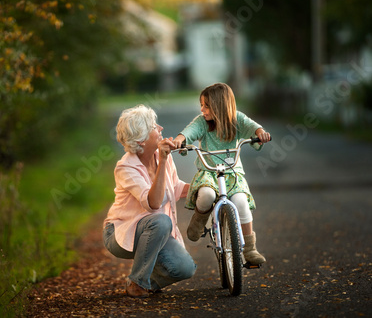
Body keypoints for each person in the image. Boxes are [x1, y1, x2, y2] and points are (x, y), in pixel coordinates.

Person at [103, 105, 196, 298]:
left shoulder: (160, 156)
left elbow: (174, 187)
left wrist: (202, 186)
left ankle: (142, 283)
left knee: (186, 268)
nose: (161, 128)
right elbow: (153, 203)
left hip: (154, 230)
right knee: (161, 221)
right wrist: (163, 160)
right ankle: (138, 281)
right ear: (141, 139)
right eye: (154, 126)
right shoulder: (126, 167)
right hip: (120, 233)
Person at [173, 83, 271, 265]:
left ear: (219, 105)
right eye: (201, 105)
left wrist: (261, 133)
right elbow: (190, 131)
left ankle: (250, 249)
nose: (202, 109)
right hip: (209, 172)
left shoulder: (237, 119)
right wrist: (180, 139)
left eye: (206, 105)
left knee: (241, 202)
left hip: (233, 173)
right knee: (206, 195)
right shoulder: (202, 122)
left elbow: (253, 127)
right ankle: (199, 220)